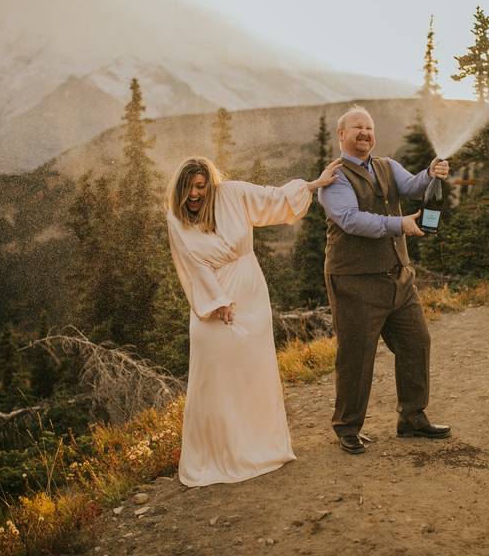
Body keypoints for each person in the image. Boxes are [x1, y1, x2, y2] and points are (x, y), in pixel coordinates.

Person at [165, 155, 341, 486]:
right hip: (211, 305)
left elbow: (272, 198)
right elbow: (189, 264)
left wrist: (314, 184)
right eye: (188, 188)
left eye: (200, 186)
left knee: (252, 371)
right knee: (216, 378)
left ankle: (259, 448)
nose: (194, 194)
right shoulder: (176, 218)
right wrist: (217, 302)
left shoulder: (231, 194)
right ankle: (222, 454)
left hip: (250, 296)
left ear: (210, 184)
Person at [317, 105, 450, 454]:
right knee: (357, 356)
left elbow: (413, 185)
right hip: (355, 280)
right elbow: (350, 219)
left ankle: (412, 418)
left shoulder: (387, 166)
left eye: (369, 127)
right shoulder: (334, 176)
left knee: (416, 342)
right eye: (357, 127)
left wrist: (431, 172)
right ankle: (347, 426)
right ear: (341, 135)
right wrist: (399, 224)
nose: (365, 132)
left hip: (398, 277)